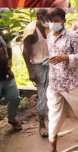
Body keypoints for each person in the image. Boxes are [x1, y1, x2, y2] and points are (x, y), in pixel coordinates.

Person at [46, 8, 78, 152]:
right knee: (53, 114)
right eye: (50, 21)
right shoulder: (49, 37)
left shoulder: (72, 36)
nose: (53, 24)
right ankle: (52, 145)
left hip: (69, 81)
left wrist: (66, 58)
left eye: (56, 21)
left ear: (63, 21)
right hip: (54, 81)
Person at [22, 8, 50, 137]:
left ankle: (52, 118)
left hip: (50, 64)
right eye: (47, 17)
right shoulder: (31, 30)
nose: (49, 19)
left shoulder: (48, 28)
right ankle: (42, 124)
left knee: (53, 93)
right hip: (38, 66)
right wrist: (30, 71)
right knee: (43, 94)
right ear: (40, 16)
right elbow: (25, 52)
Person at [0, 35, 22, 132]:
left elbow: (8, 50)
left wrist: (9, 63)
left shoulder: (1, 38)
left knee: (15, 97)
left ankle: (12, 118)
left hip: (6, 74)